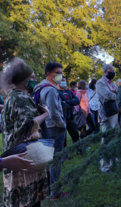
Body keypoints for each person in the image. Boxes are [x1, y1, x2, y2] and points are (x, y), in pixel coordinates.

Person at [1, 57, 50, 207]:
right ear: (23, 81)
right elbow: (27, 127)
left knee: (20, 198)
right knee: (29, 199)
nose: (35, 80)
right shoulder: (21, 98)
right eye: (32, 78)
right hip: (25, 155)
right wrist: (46, 114)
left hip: (15, 152)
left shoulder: (11, 97)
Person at [34, 62, 67, 200]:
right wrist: (62, 124)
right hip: (54, 127)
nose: (60, 75)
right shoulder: (51, 90)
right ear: (48, 73)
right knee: (56, 160)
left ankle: (47, 189)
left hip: (44, 126)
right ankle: (56, 191)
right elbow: (54, 113)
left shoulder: (39, 88)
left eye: (61, 73)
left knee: (47, 160)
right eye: (57, 73)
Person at [57, 77, 80, 147]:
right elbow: (61, 104)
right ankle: (65, 155)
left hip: (71, 117)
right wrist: (71, 103)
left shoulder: (69, 92)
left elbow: (77, 101)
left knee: (75, 135)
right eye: (62, 81)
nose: (64, 82)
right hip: (61, 117)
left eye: (65, 80)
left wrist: (66, 102)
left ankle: (79, 149)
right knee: (63, 138)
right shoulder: (55, 92)